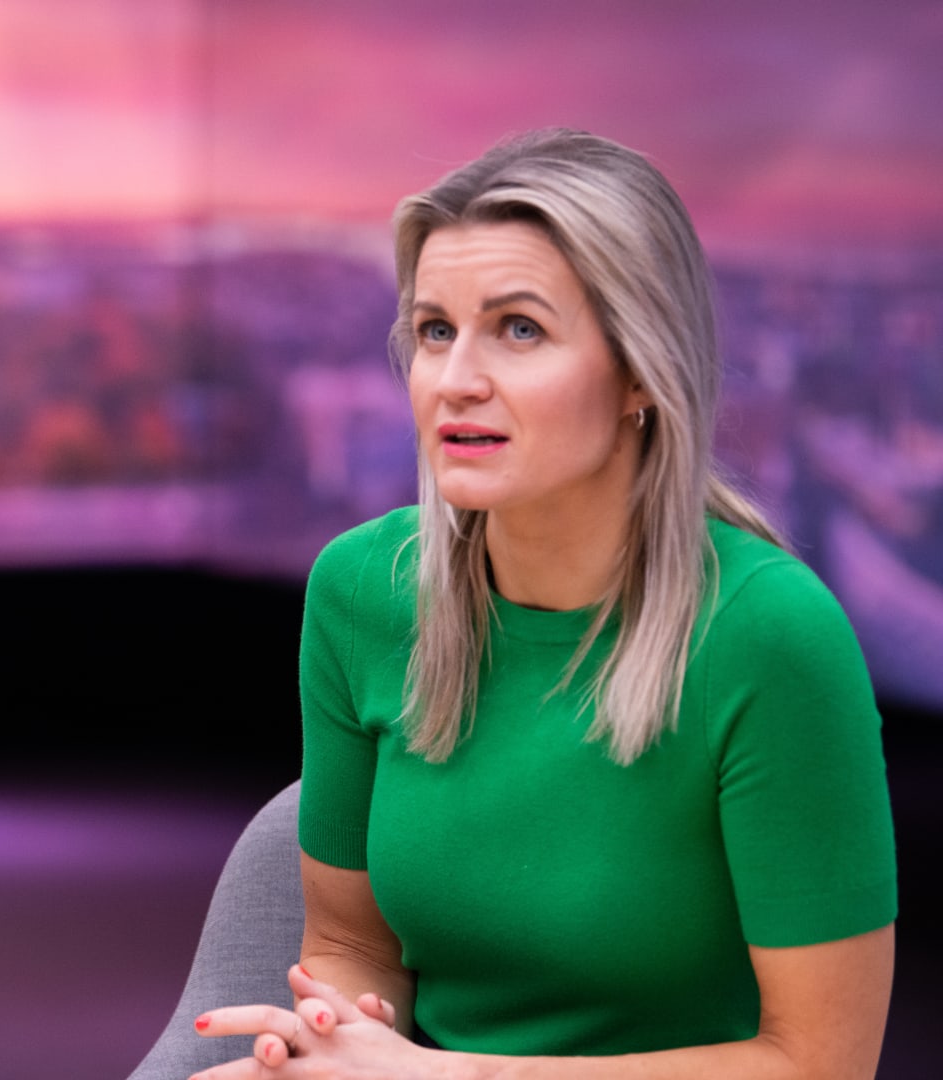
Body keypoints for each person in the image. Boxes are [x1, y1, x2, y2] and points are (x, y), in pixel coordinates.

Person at [193, 129, 896, 1078]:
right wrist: (332, 1043)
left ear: (642, 371)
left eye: (519, 330)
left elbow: (820, 1063)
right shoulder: (362, 589)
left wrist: (451, 1077)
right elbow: (353, 945)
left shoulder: (771, 636)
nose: (456, 381)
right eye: (435, 331)